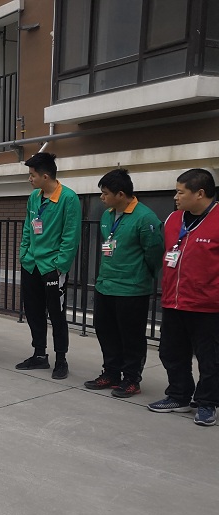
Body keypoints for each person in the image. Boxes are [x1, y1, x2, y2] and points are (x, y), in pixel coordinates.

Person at [148, 168, 219, 426]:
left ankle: (207, 402)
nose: (175, 197)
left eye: (180, 192)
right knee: (171, 352)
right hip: (174, 300)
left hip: (207, 305)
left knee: (210, 358)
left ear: (200, 193)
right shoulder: (173, 219)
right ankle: (178, 395)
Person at [84, 169, 164, 397]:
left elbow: (154, 252)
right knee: (105, 330)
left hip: (131, 288)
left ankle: (131, 378)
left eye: (105, 193)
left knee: (131, 335)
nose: (102, 197)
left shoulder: (145, 218)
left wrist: (141, 274)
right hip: (106, 284)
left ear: (121, 194)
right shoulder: (108, 215)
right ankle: (111, 372)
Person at [16, 152, 82, 379]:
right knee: (33, 311)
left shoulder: (69, 198)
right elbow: (28, 227)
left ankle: (61, 359)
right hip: (31, 264)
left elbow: (71, 236)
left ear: (45, 176)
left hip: (52, 267)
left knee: (56, 314)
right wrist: (24, 254)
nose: (30, 179)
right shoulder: (34, 197)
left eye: (32, 175)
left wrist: (60, 265)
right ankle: (39, 354)